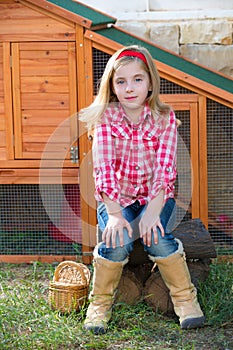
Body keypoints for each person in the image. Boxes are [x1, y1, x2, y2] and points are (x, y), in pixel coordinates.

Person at [79, 45, 205, 334]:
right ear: (111, 86)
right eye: (121, 81)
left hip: (156, 197)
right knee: (116, 240)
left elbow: (165, 172)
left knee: (157, 238)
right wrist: (113, 214)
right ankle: (99, 304)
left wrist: (153, 212)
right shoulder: (105, 121)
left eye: (138, 79)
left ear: (150, 83)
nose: (130, 88)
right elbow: (104, 171)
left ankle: (185, 300)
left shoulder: (165, 119)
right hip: (116, 199)